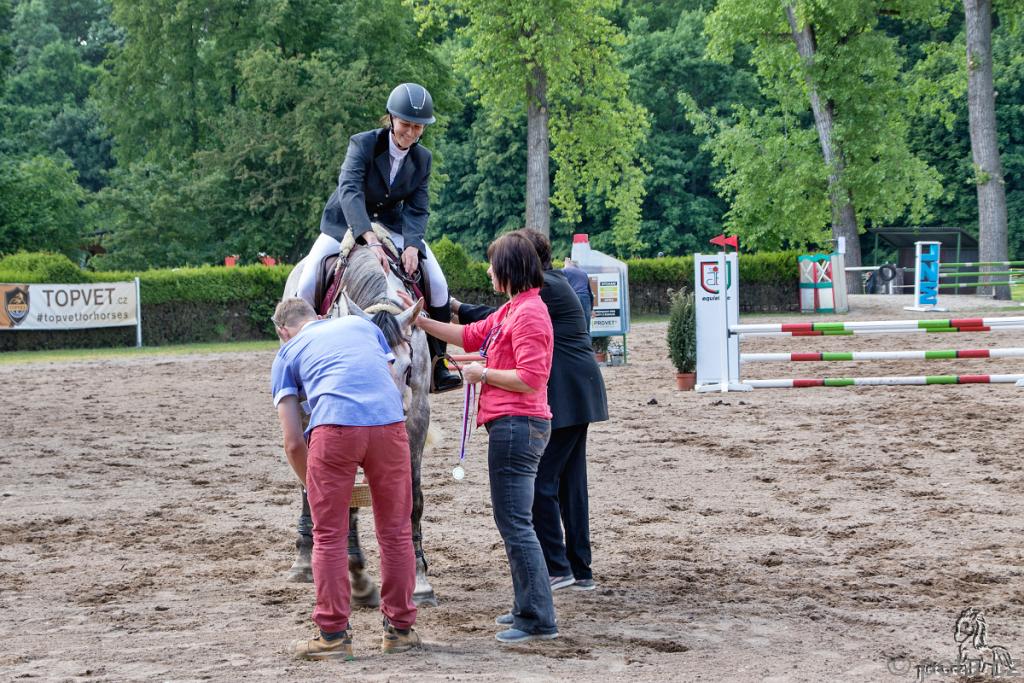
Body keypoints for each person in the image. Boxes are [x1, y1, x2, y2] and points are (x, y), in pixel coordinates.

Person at [412, 232, 558, 644]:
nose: (489, 271)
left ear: (508, 269)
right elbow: (471, 336)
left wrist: (484, 374)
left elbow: (531, 378)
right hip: (512, 425)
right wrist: (419, 322)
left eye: (493, 264)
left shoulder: (529, 315)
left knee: (516, 524)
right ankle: (526, 606)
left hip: (518, 426)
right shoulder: (514, 309)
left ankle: (538, 618)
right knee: (513, 522)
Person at [452, 230, 608, 593]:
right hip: (577, 392)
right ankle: (579, 568)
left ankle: (558, 567)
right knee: (570, 484)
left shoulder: (543, 290)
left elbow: (493, 320)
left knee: (540, 483)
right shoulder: (555, 284)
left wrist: (456, 307)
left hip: (565, 393)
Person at [270, 298, 421, 660]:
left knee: (328, 536)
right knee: (397, 531)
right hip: (389, 426)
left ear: (283, 331)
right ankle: (400, 631)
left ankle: (333, 636)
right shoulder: (364, 326)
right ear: (319, 316)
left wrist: (313, 484)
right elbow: (390, 384)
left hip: (334, 429)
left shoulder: (287, 352)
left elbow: (293, 442)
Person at [296, 82, 461, 393]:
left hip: (392, 224)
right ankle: (303, 359)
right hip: (345, 221)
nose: (411, 132)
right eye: (406, 124)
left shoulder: (422, 159)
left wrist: (412, 245)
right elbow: (350, 191)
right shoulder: (363, 144)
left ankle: (439, 362)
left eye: (418, 127)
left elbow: (417, 207)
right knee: (307, 282)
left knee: (438, 283)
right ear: (391, 118)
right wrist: (369, 239)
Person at [561, 257, 593, 328]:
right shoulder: (584, 273)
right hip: (585, 298)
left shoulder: (565, 270)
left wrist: (565, 266)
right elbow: (590, 292)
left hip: (573, 297)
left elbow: (558, 280)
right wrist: (591, 309)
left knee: (573, 323)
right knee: (586, 325)